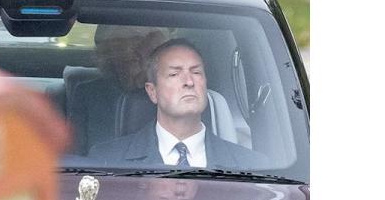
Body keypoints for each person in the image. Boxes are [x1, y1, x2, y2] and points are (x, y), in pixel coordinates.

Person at [89, 38, 266, 169]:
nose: (189, 82)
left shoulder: (252, 166)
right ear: (152, 91)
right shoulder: (107, 161)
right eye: (174, 74)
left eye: (196, 72)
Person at [69, 26, 168, 154]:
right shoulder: (87, 93)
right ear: (108, 57)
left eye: (140, 50)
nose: (131, 55)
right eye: (121, 51)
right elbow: (74, 154)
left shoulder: (169, 93)